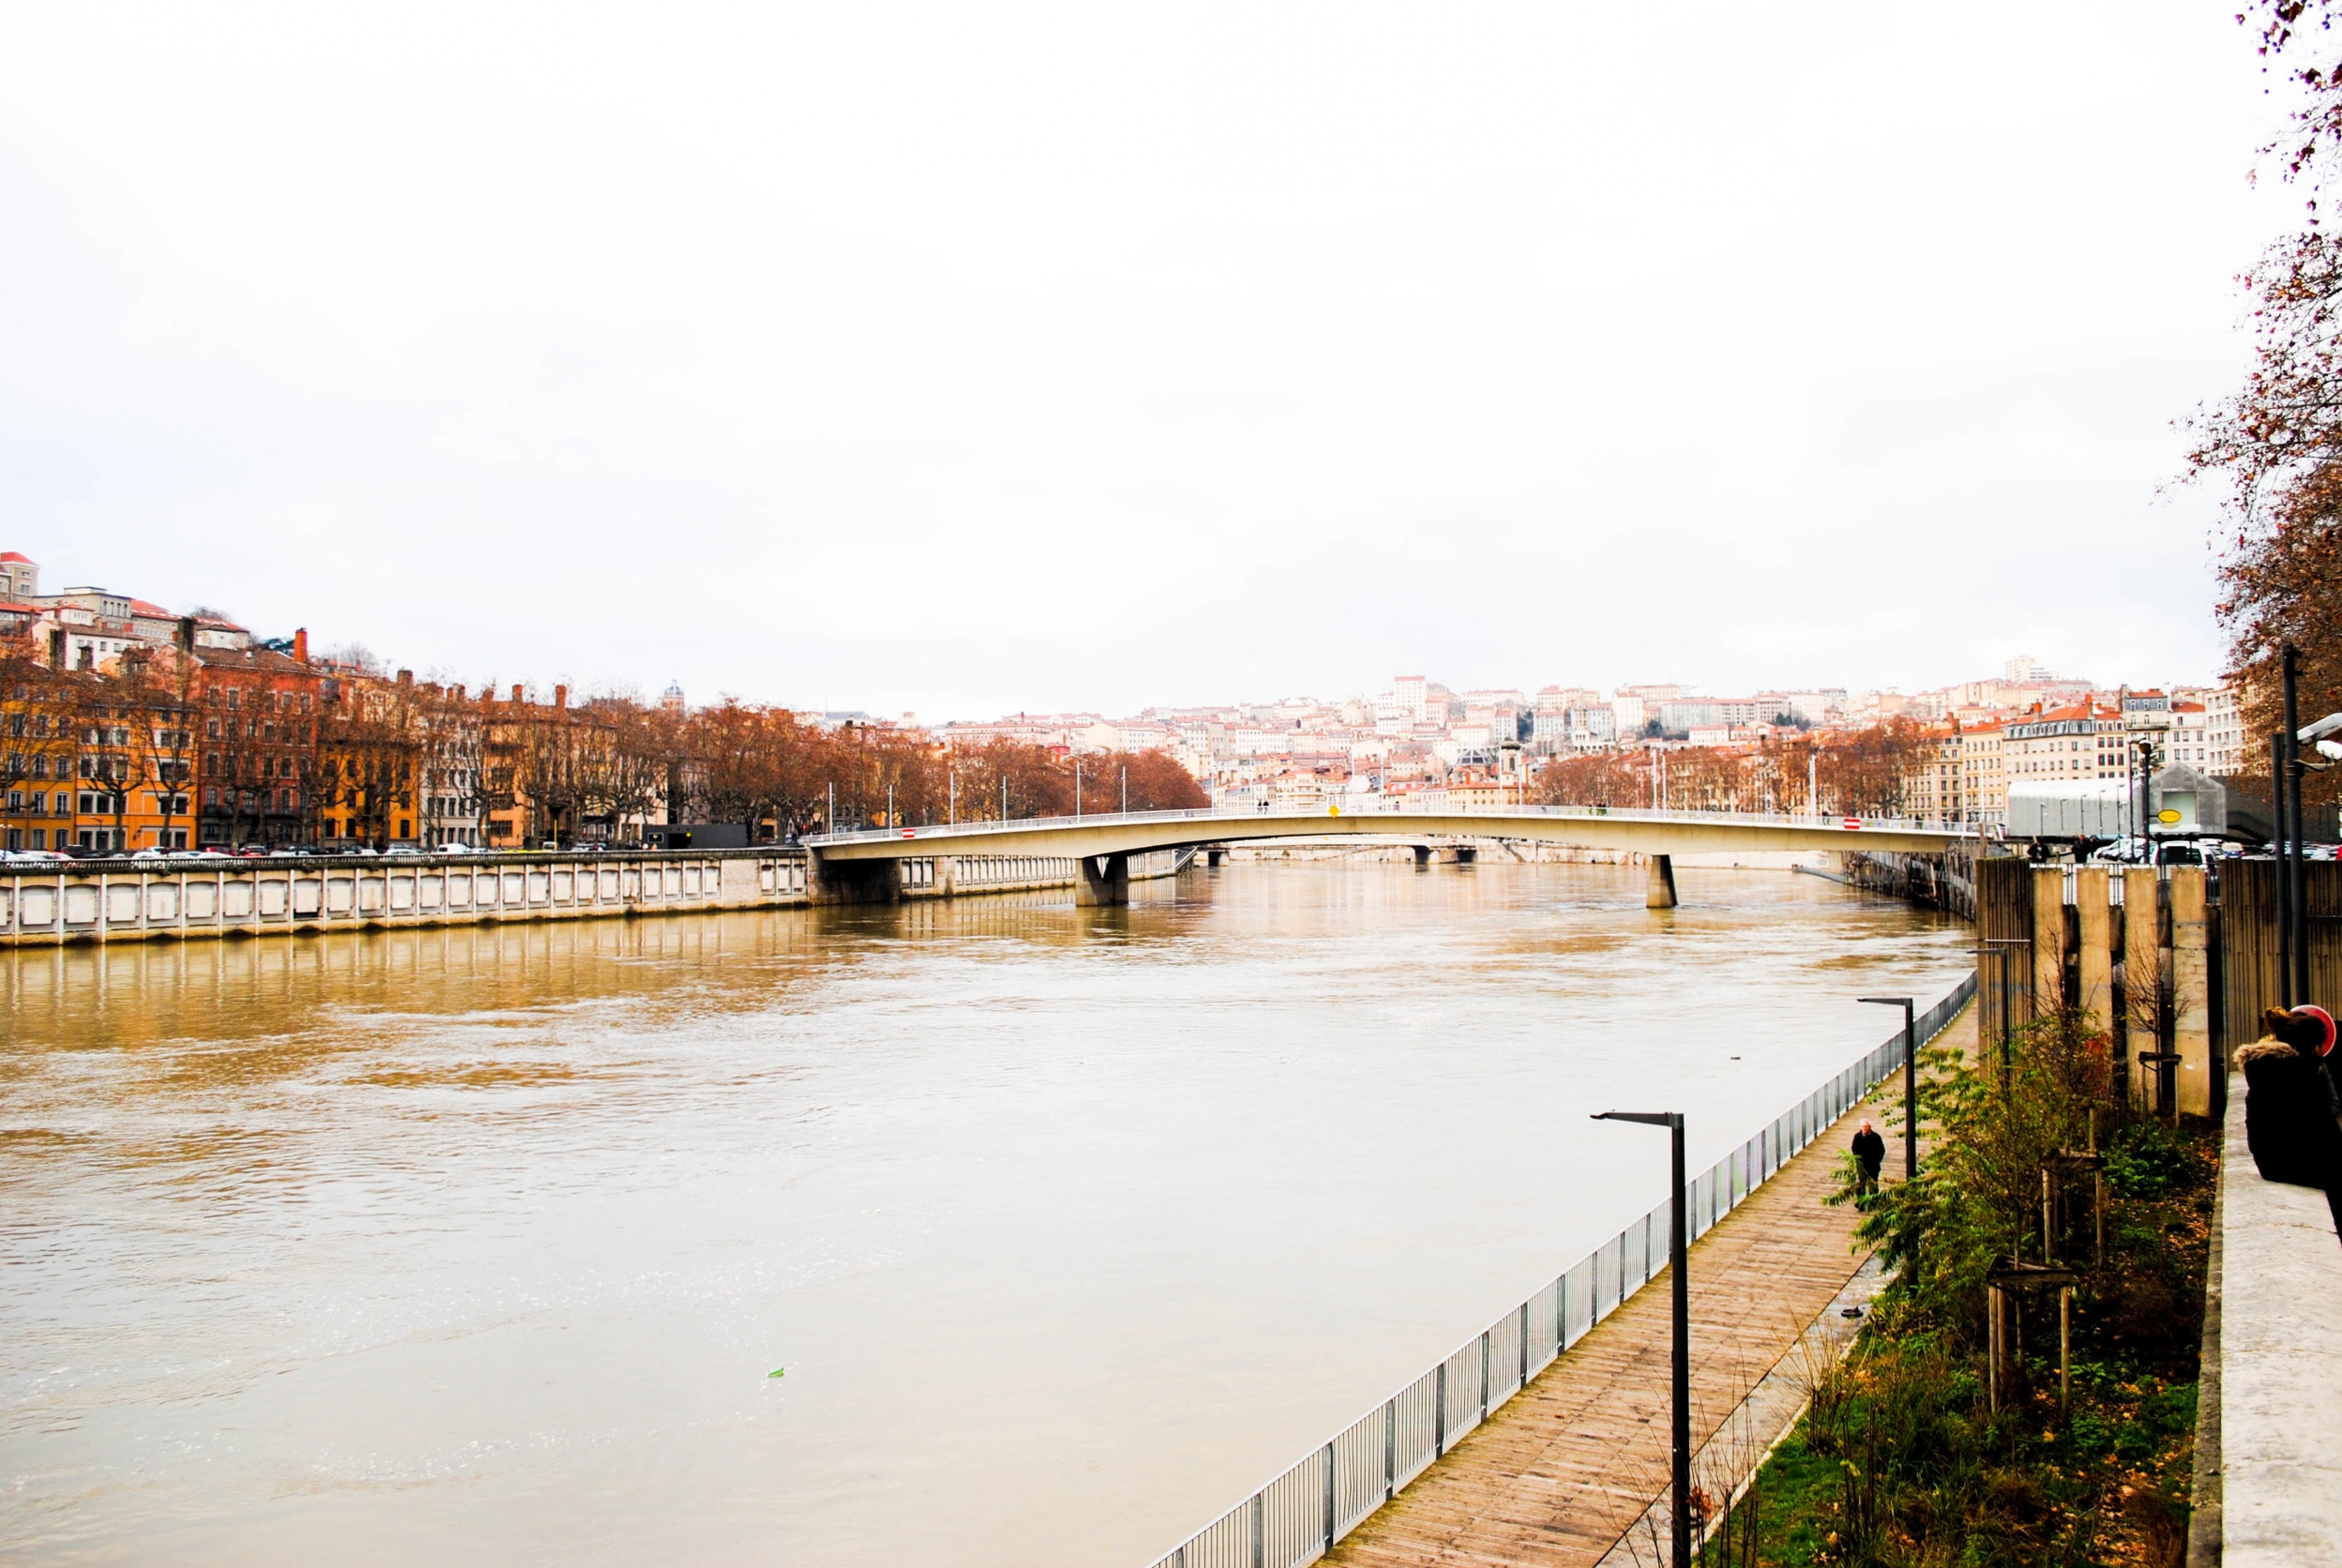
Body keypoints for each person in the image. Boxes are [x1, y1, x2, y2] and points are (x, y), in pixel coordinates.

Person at [2238, 1003, 2342, 1239]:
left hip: (2271, 1163)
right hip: (2294, 1165)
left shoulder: (2264, 1070)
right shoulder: (2303, 1075)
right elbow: (2326, 1133)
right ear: (2314, 1047)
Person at [1851, 1119, 1886, 1196]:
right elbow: (1854, 1149)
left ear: (1870, 1127)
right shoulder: (1857, 1137)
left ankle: (1873, 1201)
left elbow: (1881, 1150)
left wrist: (1877, 1160)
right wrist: (1858, 1160)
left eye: (1866, 1126)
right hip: (1862, 1165)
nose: (1864, 1128)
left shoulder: (1876, 1137)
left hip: (1873, 1165)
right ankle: (1861, 1202)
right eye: (1863, 1126)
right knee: (1862, 1183)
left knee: (1873, 1183)